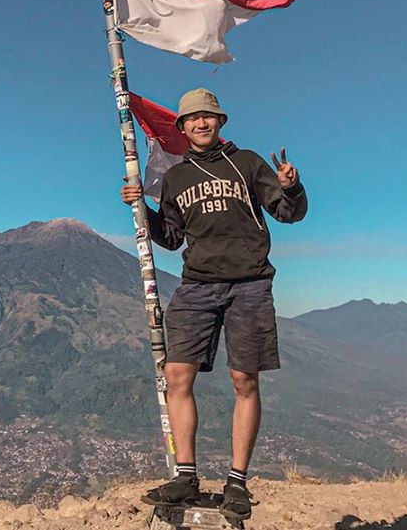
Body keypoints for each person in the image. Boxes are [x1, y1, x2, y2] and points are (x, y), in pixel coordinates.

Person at [120, 88, 307, 522]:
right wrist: (142, 211)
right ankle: (186, 475)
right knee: (176, 374)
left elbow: (287, 213)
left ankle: (237, 482)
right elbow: (169, 238)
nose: (202, 124)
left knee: (245, 380)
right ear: (181, 128)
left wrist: (291, 188)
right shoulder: (176, 178)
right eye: (194, 119)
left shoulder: (247, 164)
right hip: (197, 286)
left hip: (250, 284)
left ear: (221, 122)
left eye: (210, 116)